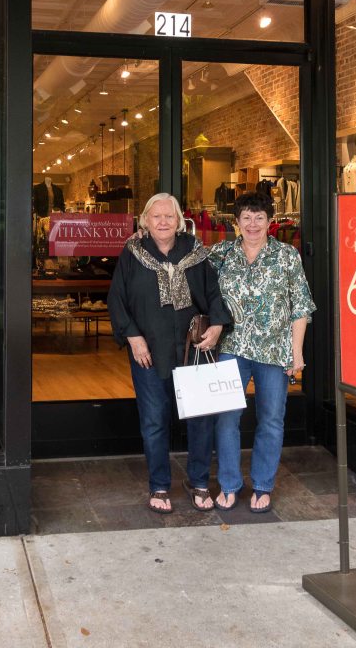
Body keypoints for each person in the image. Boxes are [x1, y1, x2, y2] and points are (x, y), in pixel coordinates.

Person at [107, 192, 232, 514]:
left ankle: (199, 481)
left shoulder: (195, 253)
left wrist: (217, 325)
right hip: (149, 351)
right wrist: (133, 337)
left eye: (169, 216)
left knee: (201, 419)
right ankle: (159, 485)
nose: (163, 221)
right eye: (156, 216)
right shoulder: (132, 253)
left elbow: (214, 293)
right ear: (146, 221)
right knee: (154, 421)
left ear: (179, 221)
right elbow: (117, 298)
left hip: (194, 348)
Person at [208, 191, 315, 514]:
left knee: (271, 419)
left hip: (274, 351)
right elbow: (193, 276)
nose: (252, 224)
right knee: (227, 418)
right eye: (246, 218)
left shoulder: (286, 256)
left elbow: (301, 306)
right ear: (236, 222)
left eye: (259, 218)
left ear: (270, 222)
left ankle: (263, 485)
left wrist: (296, 352)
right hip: (231, 348)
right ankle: (229, 484)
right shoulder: (221, 254)